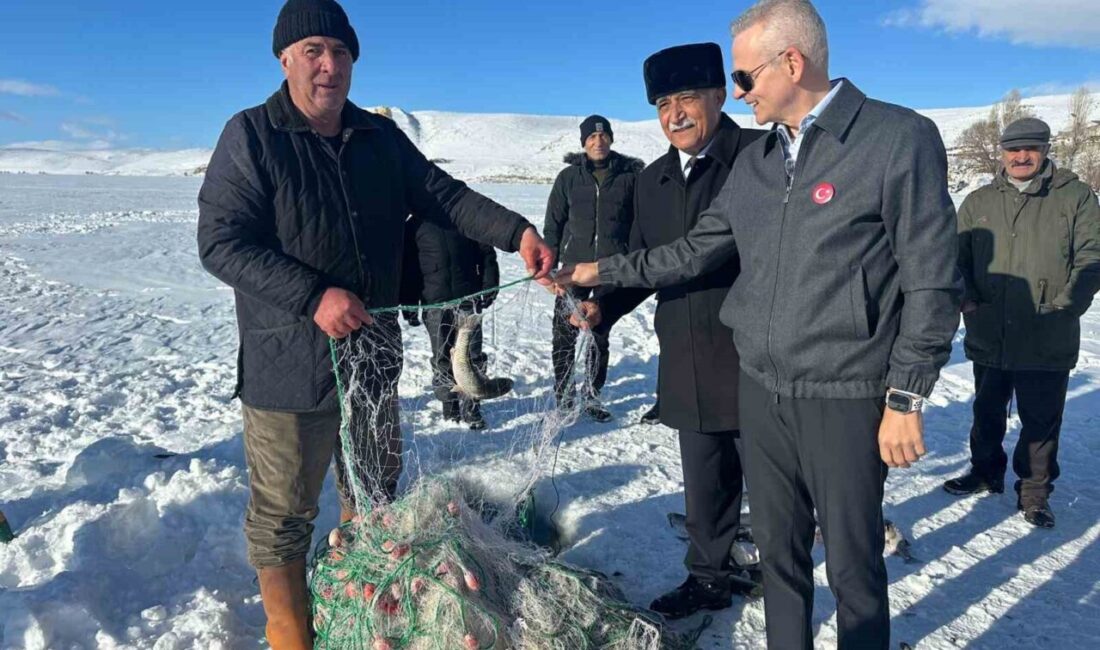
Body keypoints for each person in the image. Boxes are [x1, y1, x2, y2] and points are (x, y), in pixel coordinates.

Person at [555, 1, 960, 647]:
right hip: (760, 389)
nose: (737, 92)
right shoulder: (759, 162)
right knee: (780, 560)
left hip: (845, 393)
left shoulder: (894, 138)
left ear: (791, 63)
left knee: (854, 566)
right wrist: (594, 270)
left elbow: (933, 278)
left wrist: (906, 396)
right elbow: (691, 251)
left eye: (742, 78)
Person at [195, 1, 553, 647]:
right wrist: (311, 296)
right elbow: (220, 243)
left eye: (340, 52)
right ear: (285, 58)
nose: (329, 65)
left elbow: (443, 195)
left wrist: (516, 231)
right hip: (288, 371)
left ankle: (359, 608)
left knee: (373, 488)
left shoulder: (379, 139)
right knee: (284, 518)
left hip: (372, 361)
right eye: (313, 51)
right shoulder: (251, 135)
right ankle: (291, 634)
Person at [572, 42, 766, 618]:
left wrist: (601, 272)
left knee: (776, 487)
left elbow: (695, 255)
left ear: (717, 95)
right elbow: (645, 262)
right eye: (662, 104)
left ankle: (784, 581)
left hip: (757, 356)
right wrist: (602, 307)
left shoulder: (759, 156)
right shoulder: (652, 180)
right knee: (703, 484)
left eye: (686, 98)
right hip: (686, 354)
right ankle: (708, 577)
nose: (675, 114)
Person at [944, 117, 1100, 529]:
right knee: (986, 410)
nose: (1021, 156)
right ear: (1002, 152)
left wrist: (1067, 305)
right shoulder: (978, 201)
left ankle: (1034, 492)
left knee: (1041, 419)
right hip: (989, 328)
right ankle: (985, 471)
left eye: (1031, 148)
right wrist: (967, 299)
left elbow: (1091, 256)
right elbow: (956, 259)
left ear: (1046, 150)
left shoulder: (1076, 197)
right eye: (1013, 149)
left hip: (1047, 331)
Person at [543, 115, 642, 422]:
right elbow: (553, 224)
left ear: (611, 139)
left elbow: (638, 223)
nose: (598, 142)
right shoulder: (569, 178)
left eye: (603, 136)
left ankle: (592, 397)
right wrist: (550, 265)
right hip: (573, 270)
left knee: (599, 334)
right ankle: (564, 397)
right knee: (563, 334)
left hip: (609, 270)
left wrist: (631, 260)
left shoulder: (630, 177)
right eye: (591, 138)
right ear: (583, 143)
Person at [401, 210, 502, 430]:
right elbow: (408, 269)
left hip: (468, 298)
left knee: (472, 355)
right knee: (442, 356)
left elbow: (486, 253)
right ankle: (449, 402)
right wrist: (408, 303)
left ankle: (472, 402)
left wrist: (489, 284)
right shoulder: (414, 226)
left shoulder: (466, 218)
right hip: (434, 303)